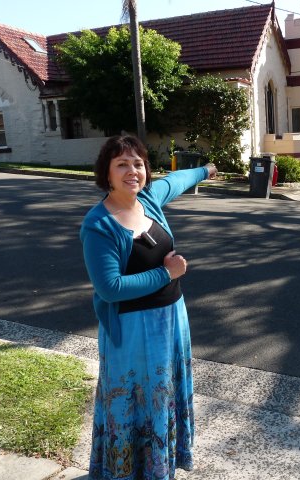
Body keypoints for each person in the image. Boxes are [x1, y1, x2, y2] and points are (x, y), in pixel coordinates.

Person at [80, 135, 217, 479]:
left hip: (172, 320)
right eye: (122, 164)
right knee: (135, 402)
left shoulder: (149, 200)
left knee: (165, 395)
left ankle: (160, 467)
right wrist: (166, 273)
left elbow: (176, 180)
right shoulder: (99, 225)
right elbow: (110, 289)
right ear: (107, 173)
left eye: (138, 163)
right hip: (132, 331)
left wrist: (205, 170)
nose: (132, 171)